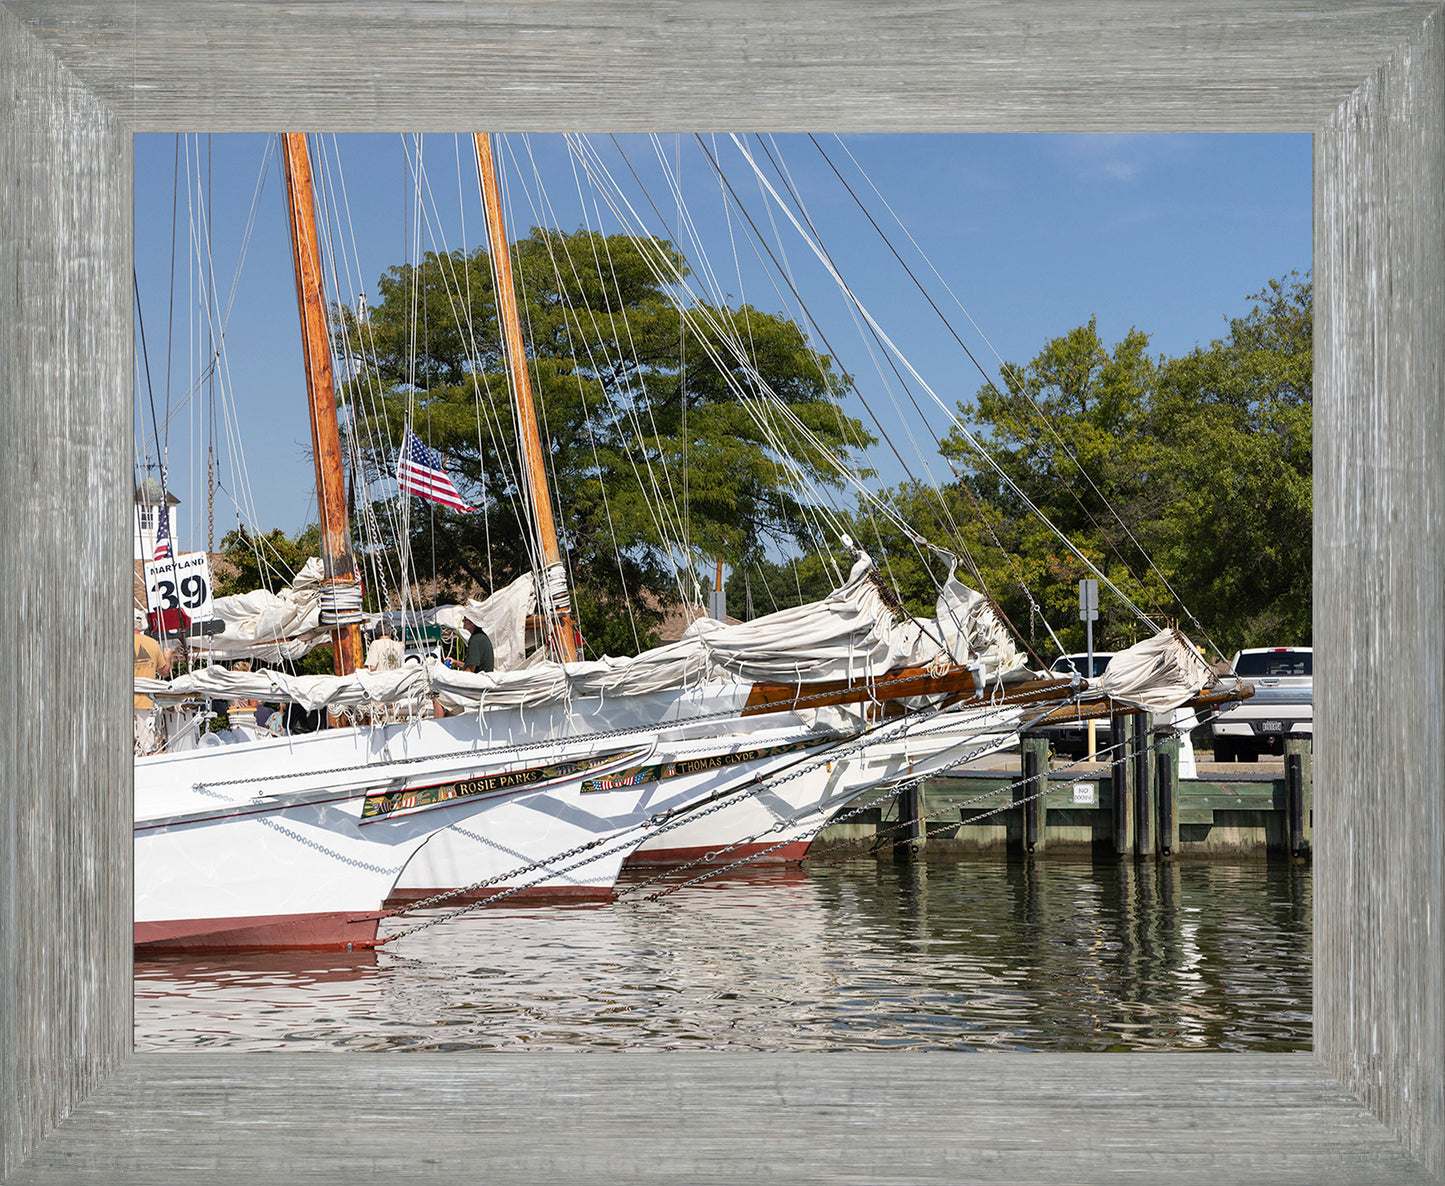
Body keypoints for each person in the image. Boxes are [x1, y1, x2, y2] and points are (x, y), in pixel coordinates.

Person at [133, 617, 174, 754]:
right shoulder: (152, 643)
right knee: (147, 745)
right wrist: (167, 657)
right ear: (141, 627)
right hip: (146, 700)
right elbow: (164, 671)